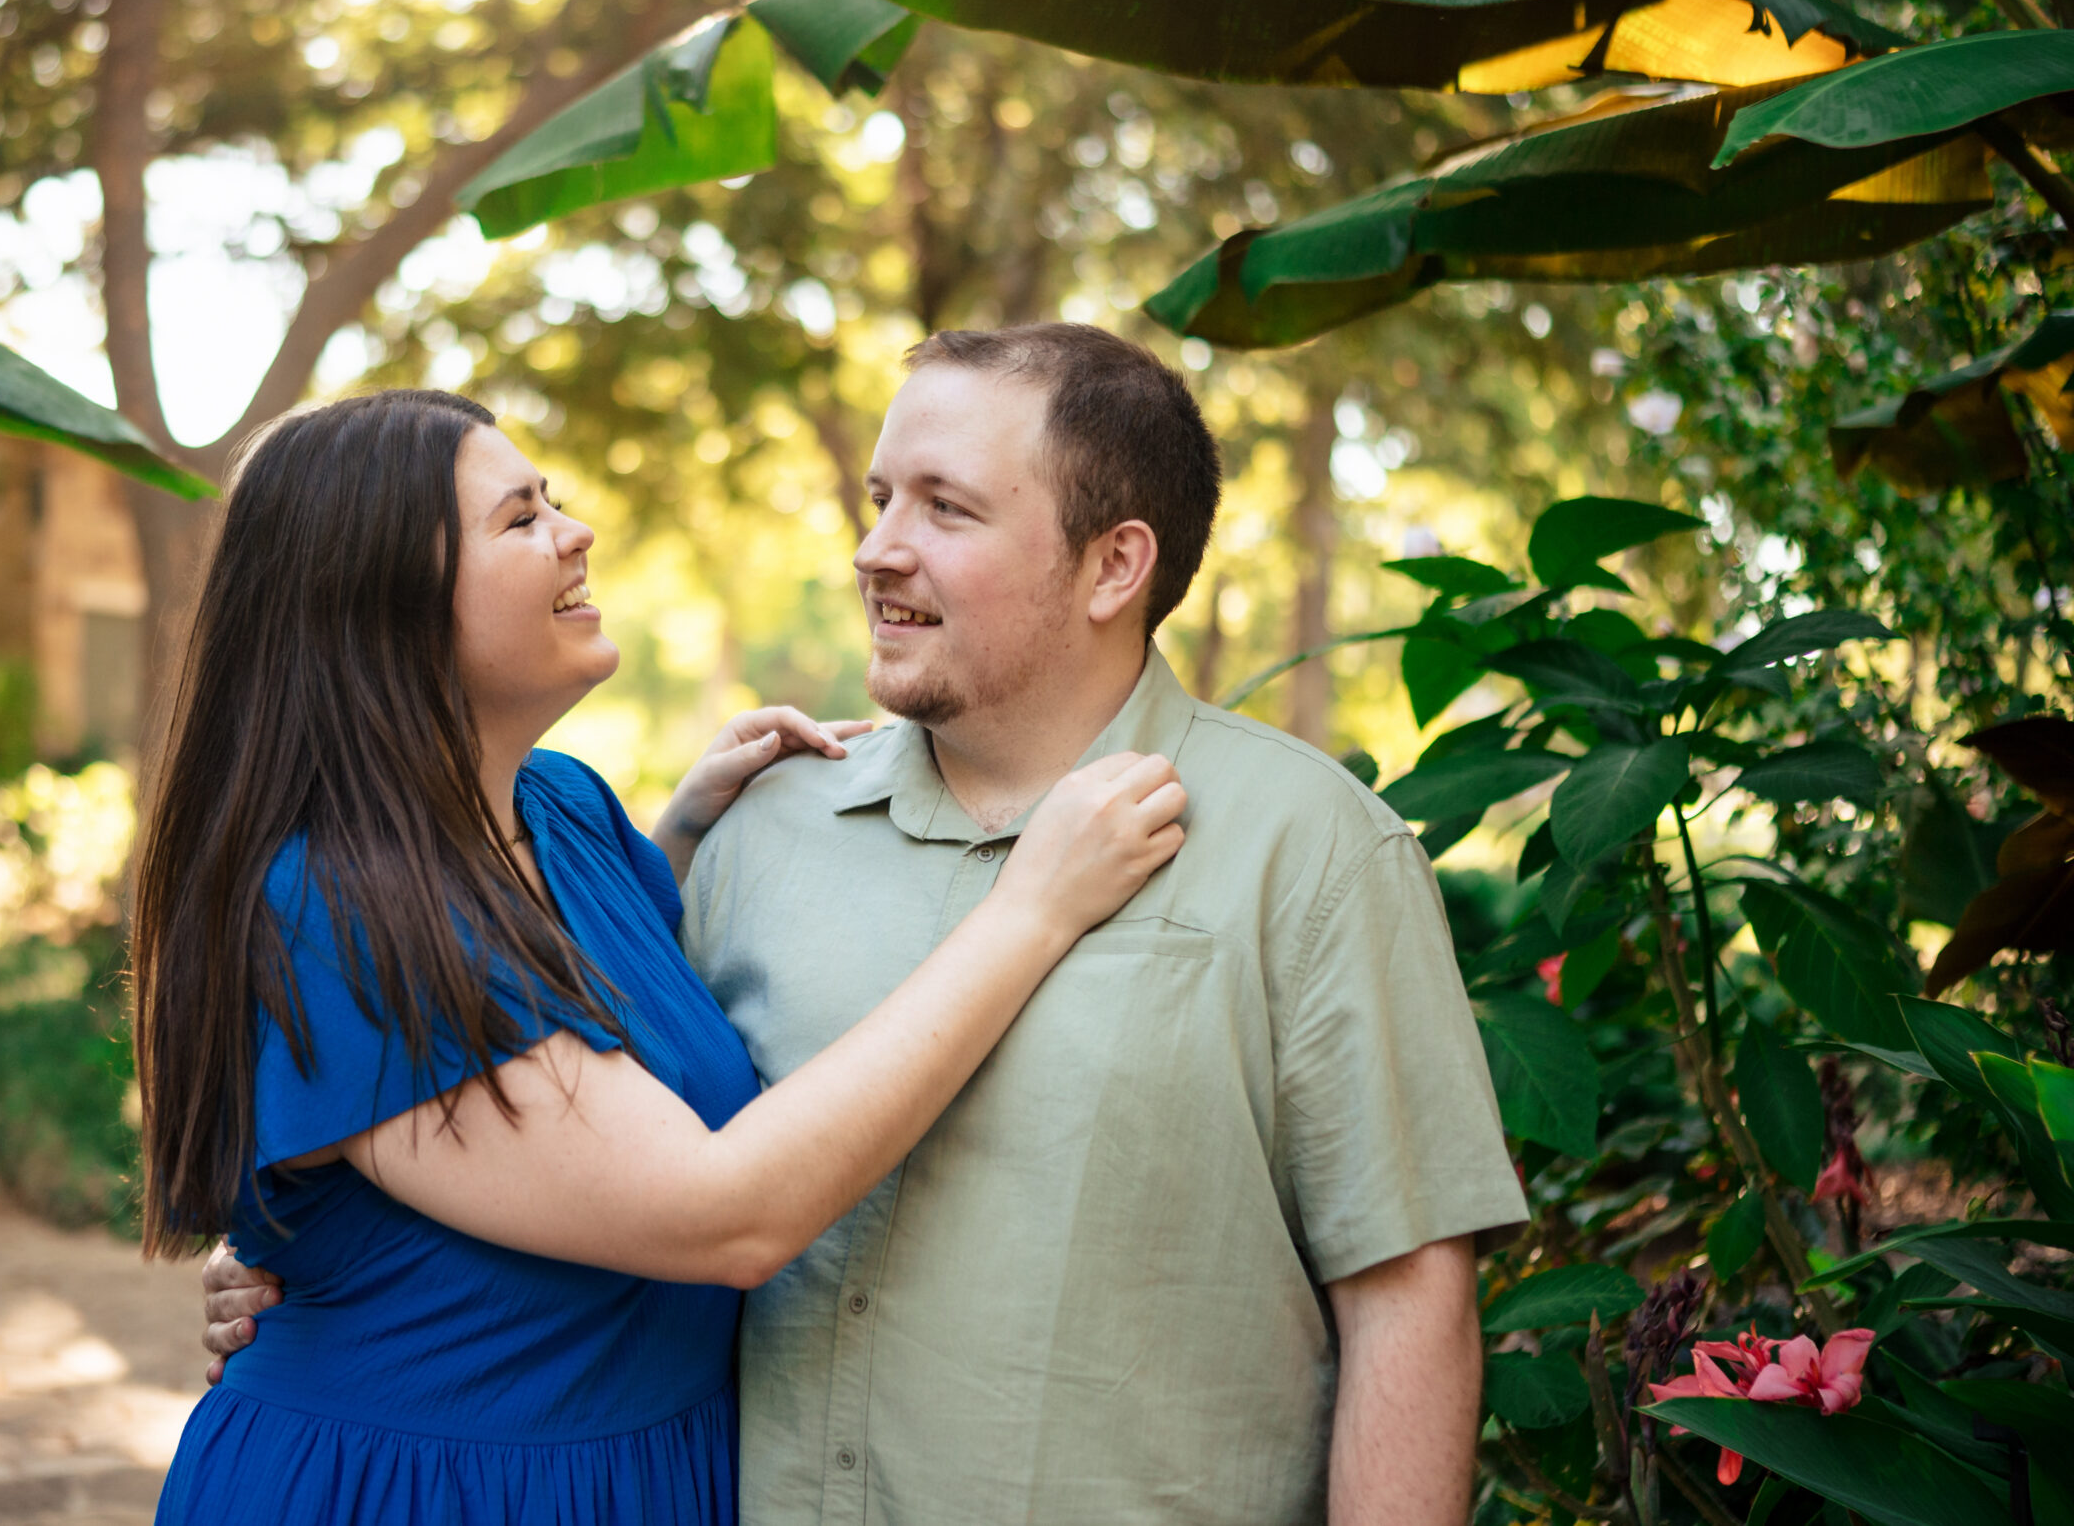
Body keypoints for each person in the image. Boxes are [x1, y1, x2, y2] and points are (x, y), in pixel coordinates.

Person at [205, 326, 1530, 1524]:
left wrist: (338, 1226)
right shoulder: (762, 833)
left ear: (1116, 561)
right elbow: (664, 1181)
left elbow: (1409, 1289)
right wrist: (314, 1241)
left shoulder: (1307, 847)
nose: (876, 545)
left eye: (945, 506)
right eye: (880, 496)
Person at [132, 386, 1188, 1526]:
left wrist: (677, 834)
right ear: (383, 599)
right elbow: (719, 1213)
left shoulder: (566, 812)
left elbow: (569, 1015)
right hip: (429, 1490)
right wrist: (1030, 910)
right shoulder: (332, 908)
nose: (575, 533)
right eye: (522, 518)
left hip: (635, 1471)